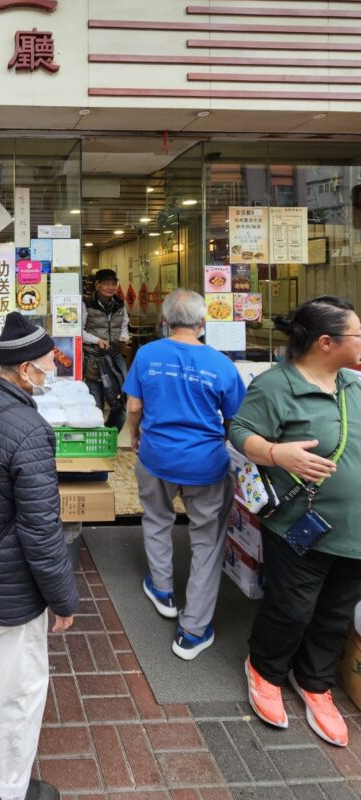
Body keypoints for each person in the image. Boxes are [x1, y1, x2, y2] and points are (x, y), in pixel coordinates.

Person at [229, 295, 361, 747]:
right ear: (326, 342)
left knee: (335, 612)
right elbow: (239, 430)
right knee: (292, 608)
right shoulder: (276, 385)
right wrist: (275, 452)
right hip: (301, 525)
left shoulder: (354, 384)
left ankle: (316, 683)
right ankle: (265, 670)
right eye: (357, 334)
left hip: (356, 529)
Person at [0, 311, 79, 800]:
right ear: (26, 369)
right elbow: (41, 528)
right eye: (49, 361)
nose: (54, 368)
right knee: (19, 687)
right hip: (13, 579)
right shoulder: (29, 431)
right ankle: (4, 789)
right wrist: (63, 598)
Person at [124, 289, 246, 660]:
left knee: (157, 519)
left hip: (156, 455)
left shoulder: (147, 354)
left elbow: (134, 406)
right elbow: (236, 420)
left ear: (165, 320)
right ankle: (193, 630)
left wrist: (135, 437)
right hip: (205, 463)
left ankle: (162, 590)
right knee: (207, 540)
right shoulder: (221, 364)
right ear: (202, 323)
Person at [82, 268, 130, 429]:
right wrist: (97, 340)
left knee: (119, 399)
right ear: (97, 285)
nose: (110, 287)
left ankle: (111, 433)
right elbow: (78, 331)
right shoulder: (87, 304)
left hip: (115, 357)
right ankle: (97, 435)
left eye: (113, 284)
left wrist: (124, 337)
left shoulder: (120, 304)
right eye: (106, 284)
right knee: (95, 401)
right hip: (94, 359)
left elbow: (124, 325)